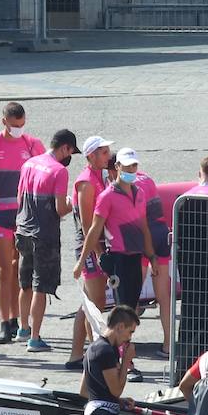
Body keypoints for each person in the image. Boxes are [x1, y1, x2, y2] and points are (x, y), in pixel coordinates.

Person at [74, 148, 158, 383]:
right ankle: (124, 361)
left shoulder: (139, 193)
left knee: (129, 310)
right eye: (127, 167)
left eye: (134, 167)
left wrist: (151, 257)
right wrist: (82, 261)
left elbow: (143, 226)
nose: (131, 171)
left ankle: (119, 358)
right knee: (123, 313)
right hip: (118, 258)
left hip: (135, 258)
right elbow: (93, 230)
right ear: (117, 167)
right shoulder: (107, 196)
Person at [0, 102, 47, 344]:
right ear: (4, 121)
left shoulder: (32, 144)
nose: (19, 129)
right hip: (1, 216)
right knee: (5, 270)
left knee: (20, 269)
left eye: (22, 125)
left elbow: (47, 173)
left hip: (26, 217)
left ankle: (18, 320)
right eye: (14, 126)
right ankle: (5, 324)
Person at [15, 129, 80, 352]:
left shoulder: (30, 163)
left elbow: (19, 196)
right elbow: (60, 208)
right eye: (71, 151)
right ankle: (35, 338)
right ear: (65, 148)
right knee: (40, 287)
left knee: (25, 283)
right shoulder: (58, 171)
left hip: (23, 229)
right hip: (44, 234)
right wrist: (74, 202)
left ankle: (23, 329)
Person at [65, 136, 114, 370]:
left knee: (89, 304)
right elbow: (87, 225)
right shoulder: (85, 182)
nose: (109, 156)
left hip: (95, 245)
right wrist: (98, 252)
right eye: (104, 152)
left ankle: (77, 355)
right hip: (89, 247)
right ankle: (93, 355)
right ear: (91, 155)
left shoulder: (99, 176)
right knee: (95, 304)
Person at [133, 167, 174, 359]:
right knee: (163, 295)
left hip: (145, 235)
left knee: (131, 294)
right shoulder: (146, 177)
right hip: (161, 232)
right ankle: (168, 345)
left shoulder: (126, 183)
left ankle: (123, 345)